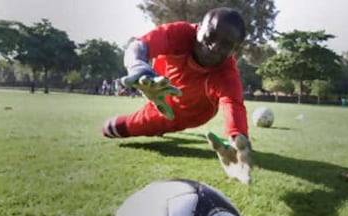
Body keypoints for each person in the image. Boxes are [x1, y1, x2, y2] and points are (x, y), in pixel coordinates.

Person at [102, 7, 252, 184]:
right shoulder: (180, 33)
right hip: (157, 89)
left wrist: (238, 142)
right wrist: (138, 67)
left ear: (234, 50)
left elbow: (233, 105)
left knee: (112, 128)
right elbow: (139, 46)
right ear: (199, 27)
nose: (215, 47)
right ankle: (155, 113)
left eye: (226, 44)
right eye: (211, 35)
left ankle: (162, 127)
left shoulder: (226, 74)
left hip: (186, 113)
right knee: (109, 129)